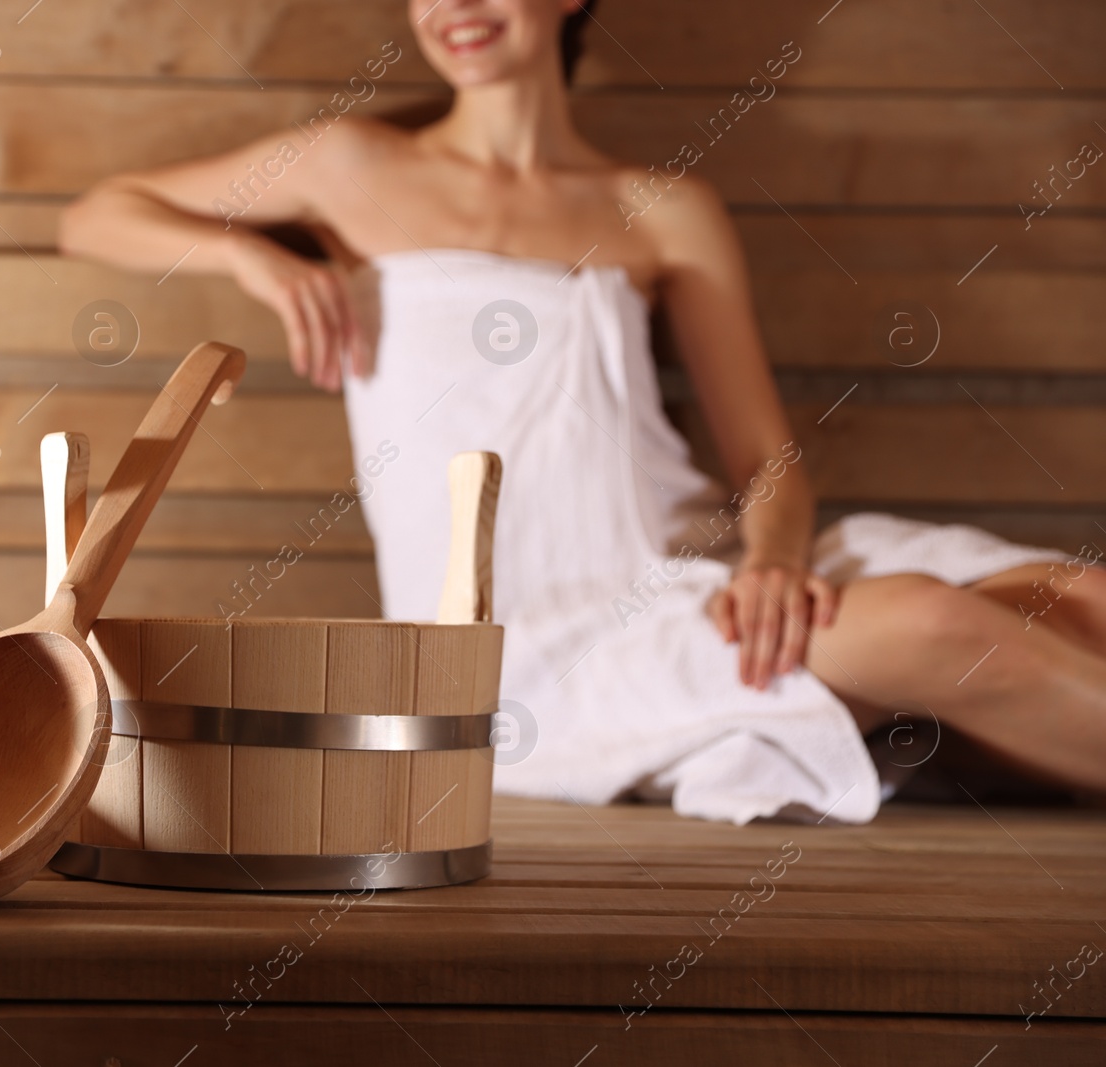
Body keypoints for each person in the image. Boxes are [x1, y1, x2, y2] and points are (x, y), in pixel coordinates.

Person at [59, 0, 1106, 822]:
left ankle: (939, 729)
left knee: (1075, 602)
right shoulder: (349, 165)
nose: (454, 2)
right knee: (934, 622)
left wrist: (776, 563)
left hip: (722, 567)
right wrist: (247, 250)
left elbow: (767, 459)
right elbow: (96, 215)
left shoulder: (662, 208)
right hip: (550, 641)